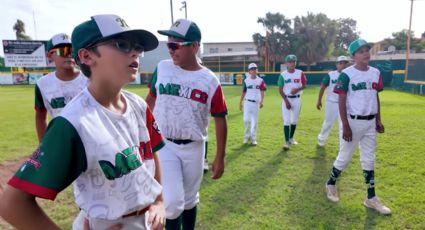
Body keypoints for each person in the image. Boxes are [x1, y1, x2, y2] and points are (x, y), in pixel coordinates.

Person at [0, 14, 167, 229]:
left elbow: (152, 152)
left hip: (149, 219)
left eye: (137, 47)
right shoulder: (73, 123)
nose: (135, 52)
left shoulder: (138, 105)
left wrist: (159, 200)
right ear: (87, 56)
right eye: (122, 44)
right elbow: (12, 203)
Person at [145, 19, 228, 229]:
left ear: (194, 46)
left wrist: (220, 157)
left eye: (175, 45)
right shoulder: (163, 68)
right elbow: (151, 99)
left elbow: (220, 117)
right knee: (172, 203)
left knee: (190, 199)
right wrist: (141, 131)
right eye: (168, 45)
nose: (170, 50)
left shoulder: (209, 80)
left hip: (195, 146)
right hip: (165, 145)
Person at [325, 39, 391, 215]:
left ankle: (371, 198)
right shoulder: (346, 74)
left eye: (367, 50)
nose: (365, 53)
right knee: (344, 157)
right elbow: (341, 100)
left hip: (370, 122)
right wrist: (345, 126)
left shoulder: (375, 73)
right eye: (361, 51)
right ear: (353, 56)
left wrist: (378, 119)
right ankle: (331, 183)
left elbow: (375, 97)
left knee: (369, 160)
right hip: (352, 122)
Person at [35, 33, 88, 142]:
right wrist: (43, 146)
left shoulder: (90, 79)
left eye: (72, 51)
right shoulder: (42, 84)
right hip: (62, 140)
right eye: (64, 51)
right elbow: (40, 116)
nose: (69, 55)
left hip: (90, 139)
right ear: (50, 55)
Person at [316, 56, 350, 147]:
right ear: (337, 65)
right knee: (328, 122)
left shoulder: (350, 75)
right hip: (332, 103)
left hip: (345, 104)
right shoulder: (331, 74)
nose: (343, 65)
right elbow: (323, 87)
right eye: (341, 63)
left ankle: (343, 143)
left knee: (343, 124)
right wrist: (319, 100)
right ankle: (321, 138)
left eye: (345, 63)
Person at [277, 54, 307, 150]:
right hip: (287, 98)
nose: (292, 63)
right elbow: (280, 90)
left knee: (294, 120)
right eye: (290, 62)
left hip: (297, 99)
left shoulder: (300, 73)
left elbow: (304, 85)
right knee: (286, 120)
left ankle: (291, 138)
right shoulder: (283, 75)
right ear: (286, 63)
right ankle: (286, 142)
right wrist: (286, 101)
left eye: (294, 61)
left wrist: (297, 90)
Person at [239, 63, 266, 145]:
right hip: (247, 102)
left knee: (254, 121)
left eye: (255, 68)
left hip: (256, 103)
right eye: (252, 69)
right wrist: (240, 102)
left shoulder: (260, 80)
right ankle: (247, 137)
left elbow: (262, 91)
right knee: (246, 120)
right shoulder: (246, 80)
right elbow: (244, 92)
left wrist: (262, 101)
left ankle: (253, 138)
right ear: (249, 71)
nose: (254, 70)